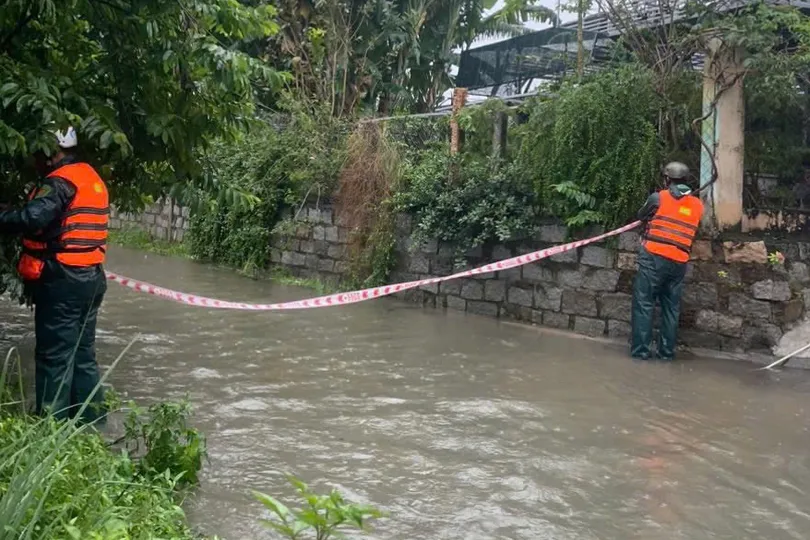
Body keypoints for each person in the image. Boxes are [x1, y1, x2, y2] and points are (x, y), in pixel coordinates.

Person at [0, 127, 109, 423]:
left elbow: (33, 217)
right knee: (83, 355)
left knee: (54, 356)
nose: (35, 159)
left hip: (63, 280)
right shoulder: (90, 176)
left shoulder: (60, 182)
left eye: (39, 152)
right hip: (91, 278)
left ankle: (51, 428)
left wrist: (6, 216)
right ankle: (91, 425)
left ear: (52, 152)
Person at [630, 162, 703, 361]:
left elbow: (641, 215)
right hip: (679, 262)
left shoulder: (658, 197)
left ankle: (641, 353)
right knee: (671, 309)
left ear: (667, 179)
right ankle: (666, 354)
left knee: (644, 304)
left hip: (653, 258)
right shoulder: (697, 205)